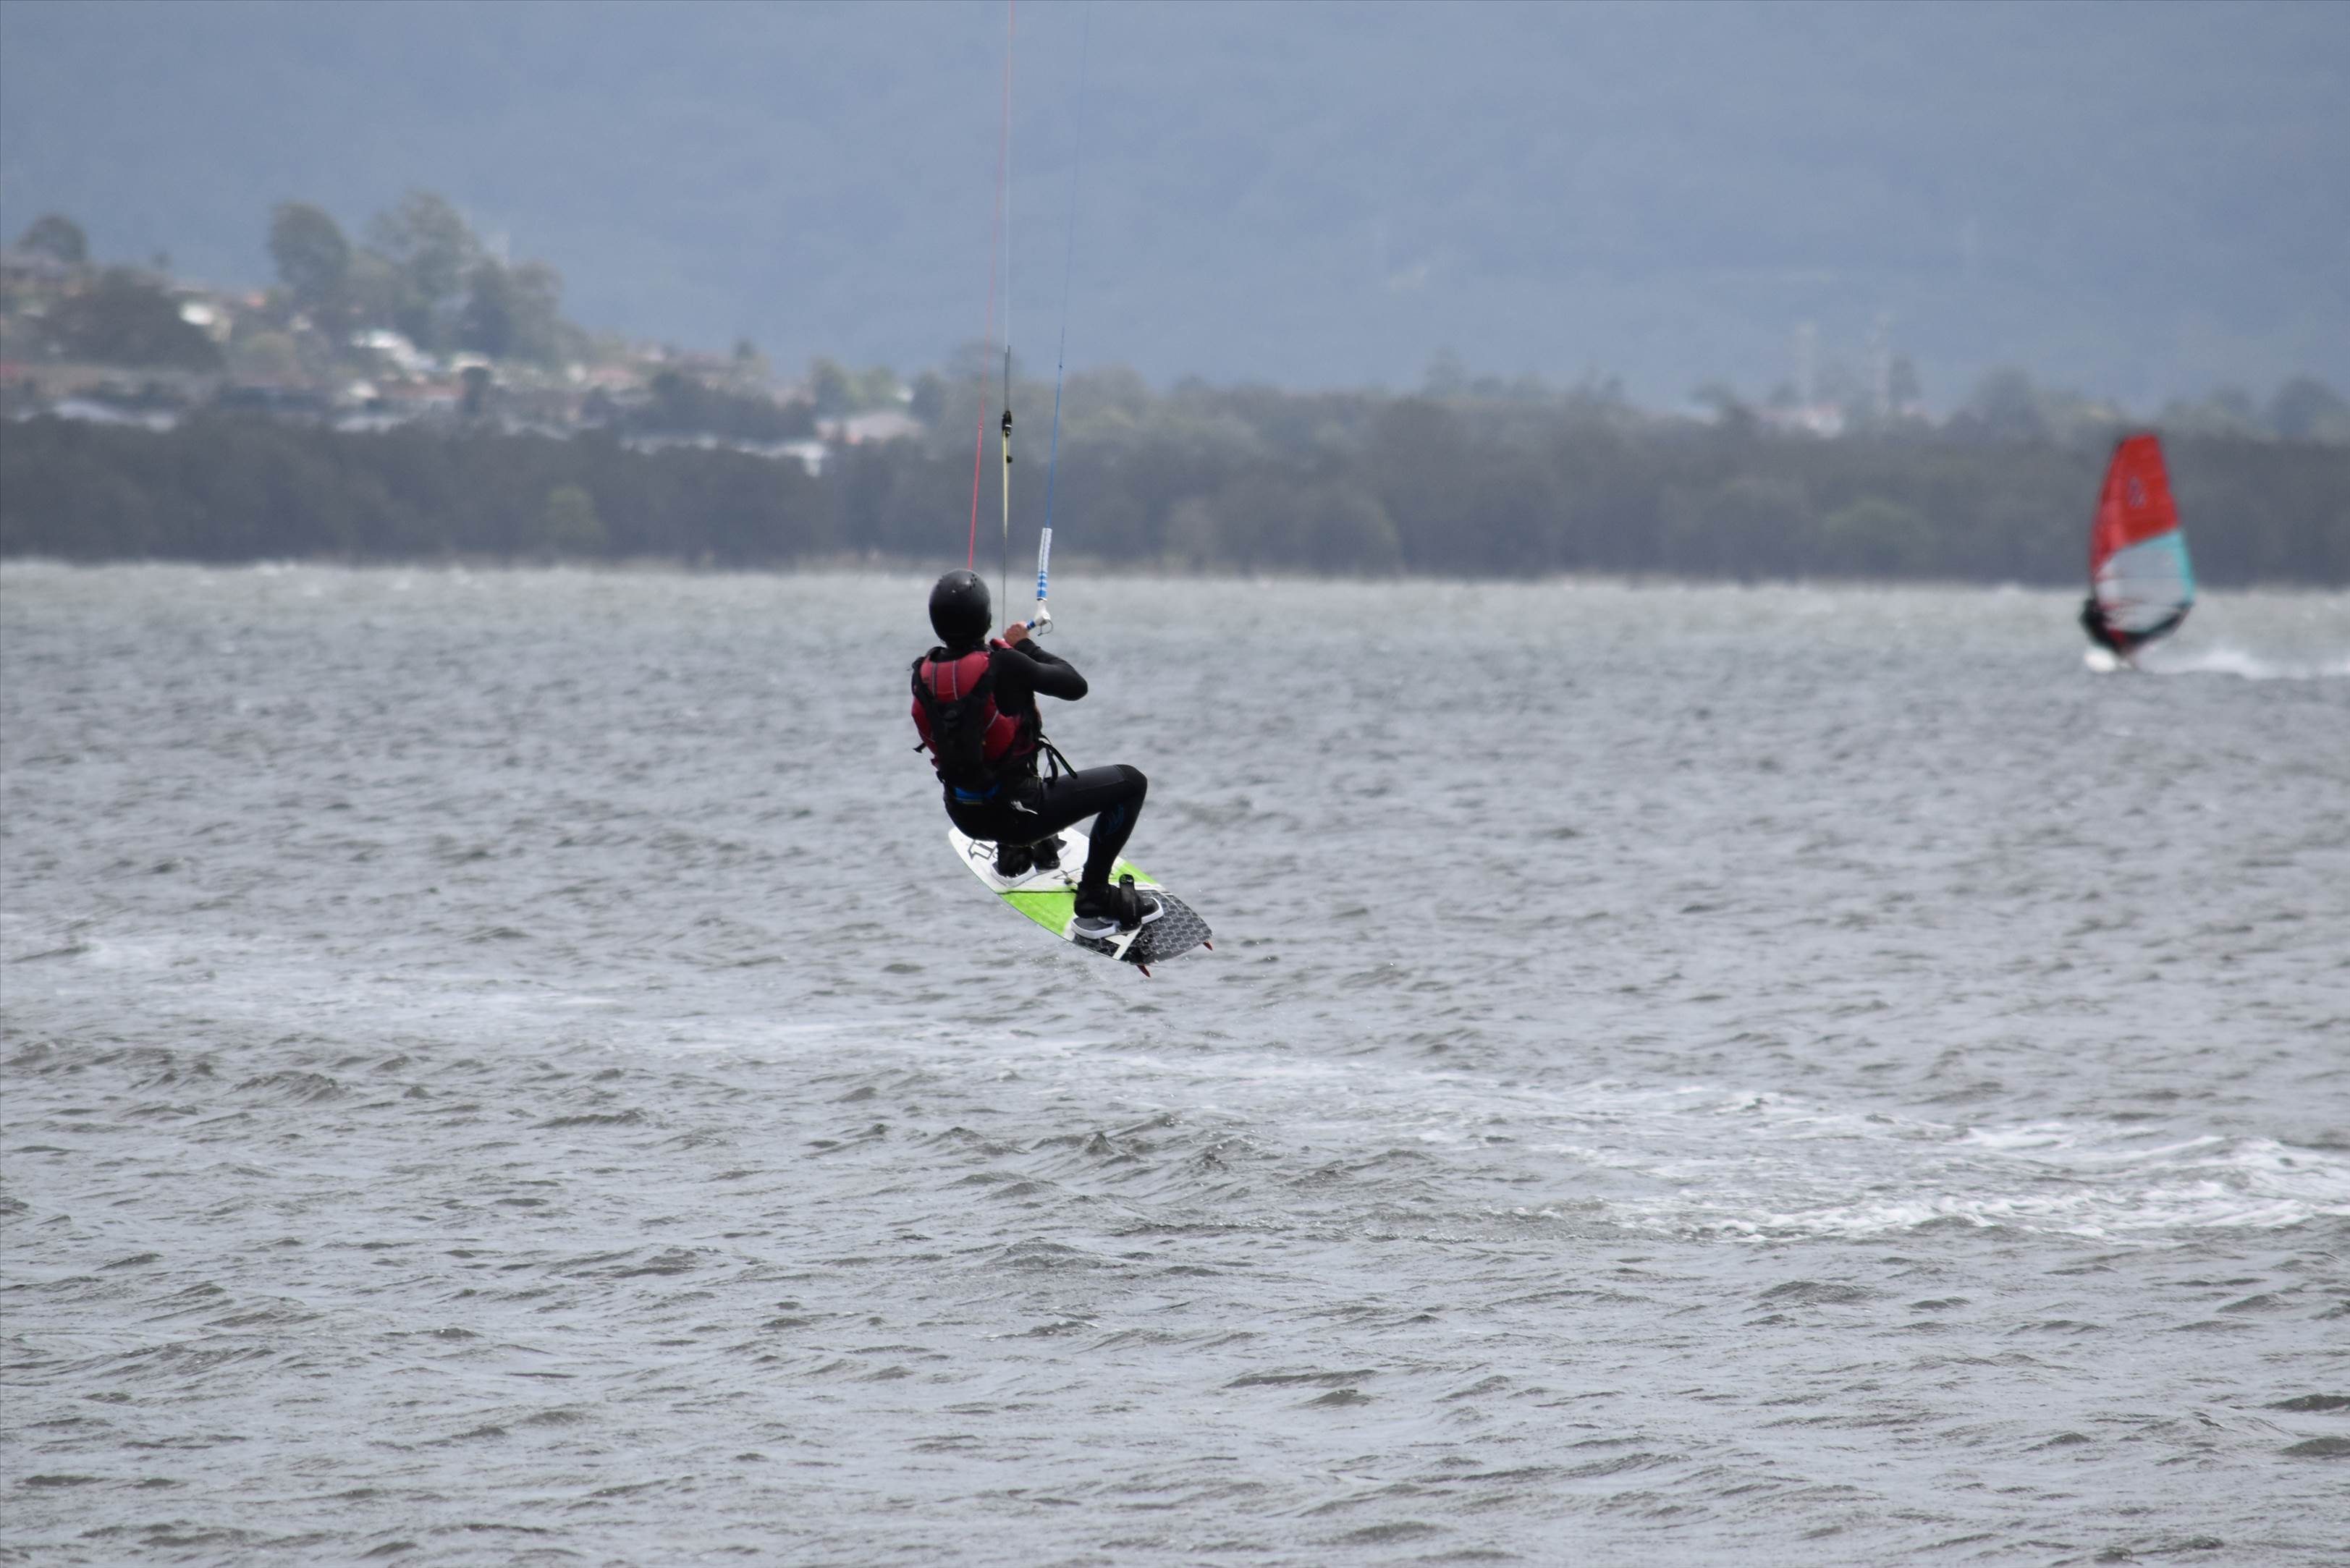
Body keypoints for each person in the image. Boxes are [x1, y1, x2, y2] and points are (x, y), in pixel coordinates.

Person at [910, 569, 1159, 938]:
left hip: (965, 816)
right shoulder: (1004, 663)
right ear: (986, 617)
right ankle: (1094, 898)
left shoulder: (923, 674)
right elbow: (1075, 686)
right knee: (1131, 783)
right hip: (1020, 817)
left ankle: (1016, 856)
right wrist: (1025, 646)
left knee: (991, 758)